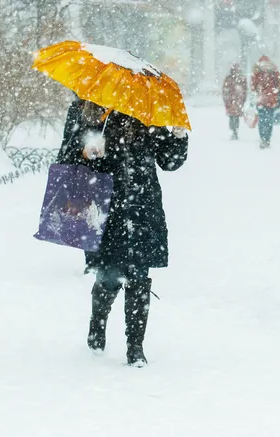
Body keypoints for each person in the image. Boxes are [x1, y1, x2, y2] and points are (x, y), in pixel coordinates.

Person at [57, 98, 189, 367]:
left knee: (139, 276)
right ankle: (98, 326)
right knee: (109, 275)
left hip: (143, 205)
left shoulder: (147, 111)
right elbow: (66, 158)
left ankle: (135, 346)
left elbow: (170, 161)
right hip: (105, 207)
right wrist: (86, 152)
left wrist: (178, 135)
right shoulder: (88, 110)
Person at [251, 55, 280, 149]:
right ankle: (264, 139)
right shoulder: (259, 74)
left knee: (267, 121)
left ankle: (266, 139)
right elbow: (253, 86)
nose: (264, 66)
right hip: (264, 101)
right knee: (264, 121)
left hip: (267, 101)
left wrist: (273, 89)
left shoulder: (272, 73)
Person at [222, 63, 247, 140]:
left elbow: (245, 89)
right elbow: (225, 89)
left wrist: (242, 98)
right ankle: (234, 131)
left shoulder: (240, 78)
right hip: (232, 100)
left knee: (235, 117)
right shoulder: (232, 78)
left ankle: (234, 132)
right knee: (232, 117)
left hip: (236, 100)